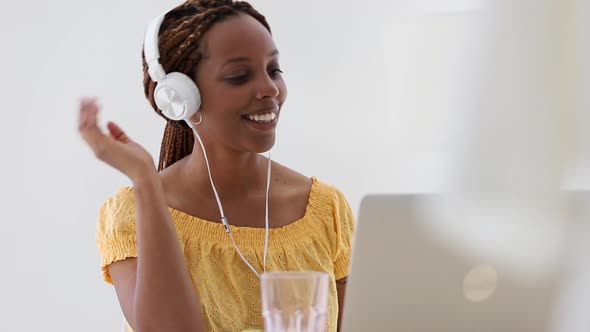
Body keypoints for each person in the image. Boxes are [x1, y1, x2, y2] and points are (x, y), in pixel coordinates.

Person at [78, 0, 355, 331]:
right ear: (181, 97)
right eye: (239, 76)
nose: (269, 89)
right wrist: (145, 179)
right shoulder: (132, 213)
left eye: (274, 70)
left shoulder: (326, 210)